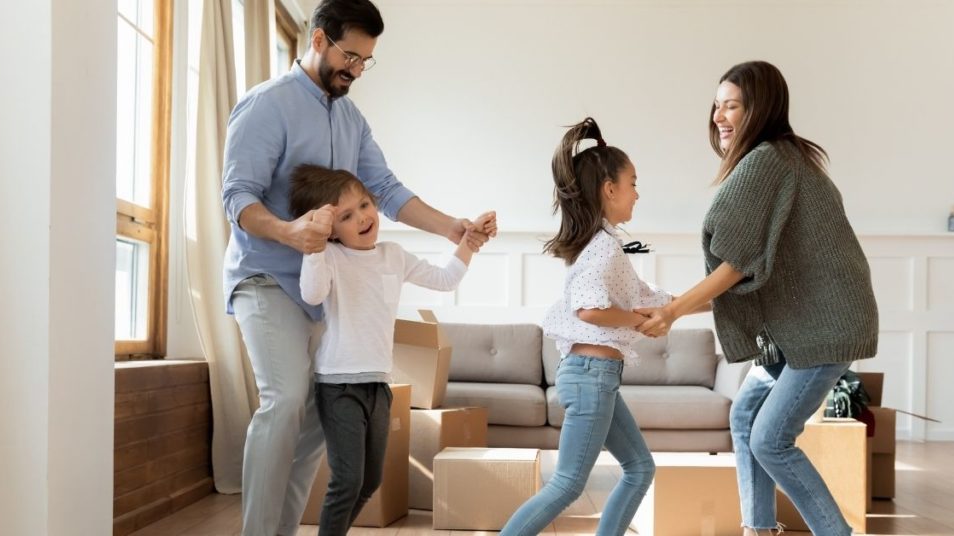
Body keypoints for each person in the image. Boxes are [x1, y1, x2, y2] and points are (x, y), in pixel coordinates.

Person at [219, 1, 494, 534]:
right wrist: (288, 231)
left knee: (321, 417)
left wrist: (452, 230)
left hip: (323, 288)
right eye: (351, 56)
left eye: (367, 61)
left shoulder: (350, 119)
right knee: (285, 399)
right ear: (318, 41)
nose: (357, 70)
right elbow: (237, 197)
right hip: (267, 276)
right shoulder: (266, 106)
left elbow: (386, 190)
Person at [636, 61, 879, 535]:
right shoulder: (786, 158)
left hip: (823, 327)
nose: (718, 117)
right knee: (746, 413)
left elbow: (738, 264)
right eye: (716, 106)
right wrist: (673, 303)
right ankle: (758, 528)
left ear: (760, 109)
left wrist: (673, 311)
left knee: (771, 439)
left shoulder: (767, 160)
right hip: (801, 327)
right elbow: (755, 271)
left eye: (732, 106)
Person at [501, 118, 695, 536]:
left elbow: (650, 297)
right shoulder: (604, 246)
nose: (637, 193)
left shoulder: (603, 243)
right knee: (568, 484)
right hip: (591, 376)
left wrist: (705, 300)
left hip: (596, 376)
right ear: (610, 189)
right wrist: (641, 321)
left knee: (640, 468)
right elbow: (588, 310)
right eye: (633, 183)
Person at [288, 164, 495, 535]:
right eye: (347, 216)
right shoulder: (331, 257)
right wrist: (315, 244)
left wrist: (467, 244)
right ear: (332, 231)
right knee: (347, 480)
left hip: (380, 386)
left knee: (369, 482)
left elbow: (446, 280)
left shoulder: (393, 255)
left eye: (365, 205)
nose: (363, 218)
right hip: (339, 385)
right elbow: (312, 293)